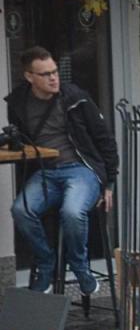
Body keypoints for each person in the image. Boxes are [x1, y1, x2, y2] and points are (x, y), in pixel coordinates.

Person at [7, 46, 118, 294]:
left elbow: (105, 139)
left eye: (55, 71)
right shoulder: (18, 102)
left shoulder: (75, 98)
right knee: (20, 210)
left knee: (72, 212)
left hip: (81, 170)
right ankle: (47, 262)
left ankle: (80, 267)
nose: (53, 78)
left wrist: (109, 183)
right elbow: (21, 140)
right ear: (29, 77)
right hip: (46, 172)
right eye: (45, 74)